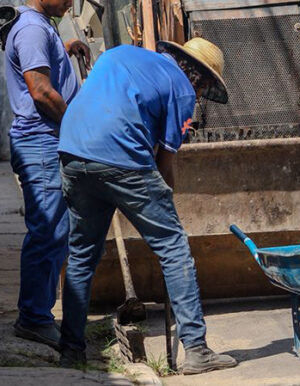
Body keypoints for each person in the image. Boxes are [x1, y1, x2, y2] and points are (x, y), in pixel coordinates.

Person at [56, 38, 238, 375]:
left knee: (81, 256)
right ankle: (197, 350)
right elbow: (165, 163)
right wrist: (167, 203)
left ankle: (70, 351)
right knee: (174, 248)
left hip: (71, 151)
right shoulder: (182, 91)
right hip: (121, 158)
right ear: (199, 78)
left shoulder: (120, 53)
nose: (199, 96)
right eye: (204, 87)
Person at [5, 0, 90, 347]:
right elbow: (40, 91)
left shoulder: (44, 28)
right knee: (48, 232)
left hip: (46, 139)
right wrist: (78, 124)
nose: (69, 3)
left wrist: (65, 47)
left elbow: (44, 70)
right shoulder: (32, 31)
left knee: (57, 231)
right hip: (40, 140)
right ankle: (34, 318)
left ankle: (40, 312)